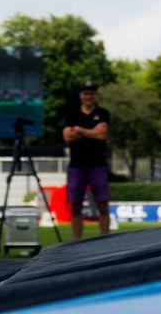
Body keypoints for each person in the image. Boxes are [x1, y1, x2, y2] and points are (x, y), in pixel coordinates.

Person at [59, 82, 115, 239]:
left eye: (91, 93)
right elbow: (67, 137)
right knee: (75, 205)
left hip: (97, 165)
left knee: (103, 205)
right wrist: (92, 132)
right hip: (77, 165)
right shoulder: (72, 114)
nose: (89, 96)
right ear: (81, 96)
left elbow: (102, 135)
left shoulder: (102, 113)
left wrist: (81, 130)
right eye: (86, 93)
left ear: (95, 95)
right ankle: (77, 241)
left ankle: (105, 239)